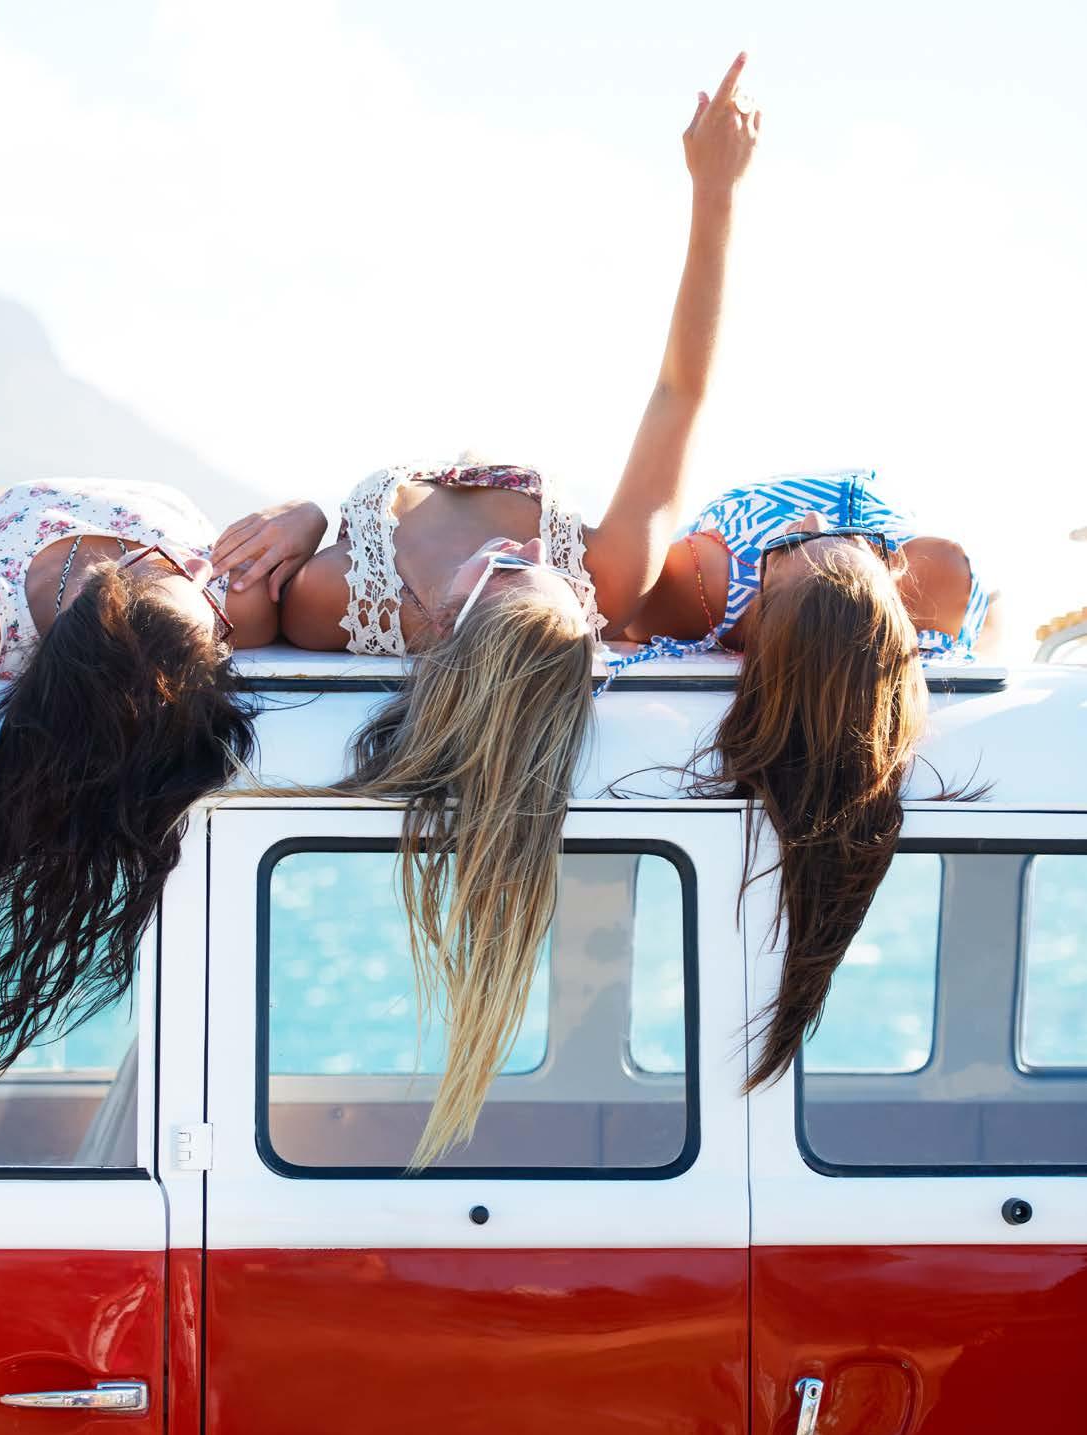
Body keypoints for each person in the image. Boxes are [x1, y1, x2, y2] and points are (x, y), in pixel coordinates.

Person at [257, 53, 760, 1167]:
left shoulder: (346, 602)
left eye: (515, 574)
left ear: (446, 625)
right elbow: (682, 389)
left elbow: (238, 591)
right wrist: (716, 193)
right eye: (567, 599)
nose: (537, 557)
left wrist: (299, 520)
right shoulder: (604, 571)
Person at [0, 477, 327, 1082]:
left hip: (23, 504)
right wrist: (306, 514)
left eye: (181, 578)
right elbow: (313, 548)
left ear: (101, 583)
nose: (200, 569)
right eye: (198, 593)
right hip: (160, 494)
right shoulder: (235, 606)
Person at [610, 469, 995, 1092]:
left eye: (787, 547)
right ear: (891, 575)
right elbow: (989, 617)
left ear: (759, 617)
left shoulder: (701, 584)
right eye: (855, 541)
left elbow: (612, 600)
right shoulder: (938, 576)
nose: (813, 522)